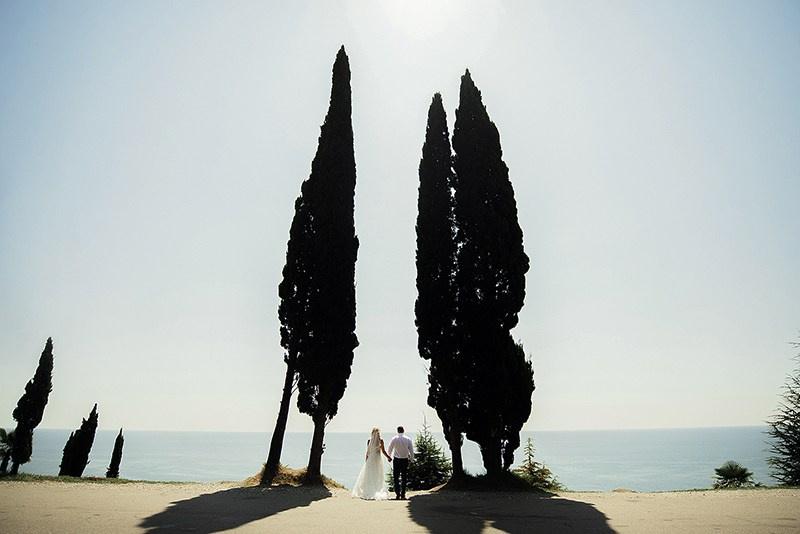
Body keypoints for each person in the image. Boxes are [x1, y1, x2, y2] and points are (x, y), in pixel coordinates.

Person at [351, 427, 392, 500]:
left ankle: (368, 489)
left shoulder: (369, 441)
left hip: (370, 460)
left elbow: (367, 452)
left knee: (369, 475)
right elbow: (383, 451)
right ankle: (377, 488)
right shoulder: (381, 441)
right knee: (377, 475)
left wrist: (366, 461)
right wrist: (389, 457)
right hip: (377, 460)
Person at [387, 425, 414, 500]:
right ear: (403, 430)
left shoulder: (394, 438)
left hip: (397, 459)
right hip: (405, 459)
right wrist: (412, 459)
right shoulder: (408, 439)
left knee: (396, 477)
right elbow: (411, 450)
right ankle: (403, 494)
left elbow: (390, 448)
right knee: (404, 477)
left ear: (397, 431)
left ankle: (397, 494)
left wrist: (389, 456)